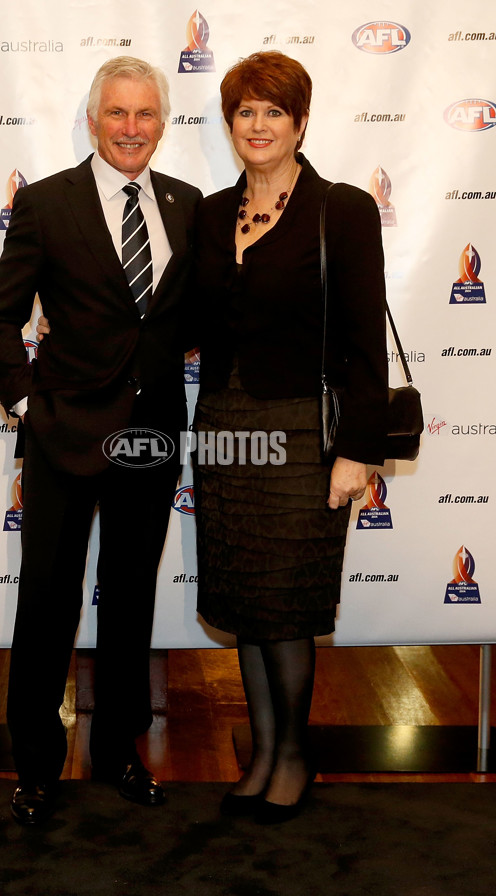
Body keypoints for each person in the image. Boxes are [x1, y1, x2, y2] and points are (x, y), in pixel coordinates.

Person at [0, 56, 202, 825]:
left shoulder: (187, 203)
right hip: (64, 435)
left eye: (145, 115)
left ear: (162, 124)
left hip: (150, 438)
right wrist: (26, 405)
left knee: (132, 601)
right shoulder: (46, 203)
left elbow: (185, 318)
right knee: (47, 603)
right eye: (118, 114)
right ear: (94, 119)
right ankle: (36, 767)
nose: (131, 129)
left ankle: (119, 753)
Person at [192, 51, 388, 824]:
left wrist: (358, 450)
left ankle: (295, 756)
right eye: (246, 111)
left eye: (274, 111)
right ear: (230, 124)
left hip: (301, 431)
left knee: (286, 598)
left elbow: (364, 341)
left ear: (301, 123)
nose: (259, 125)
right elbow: (191, 321)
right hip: (225, 426)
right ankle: (264, 752)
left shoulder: (340, 208)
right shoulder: (210, 213)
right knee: (244, 595)